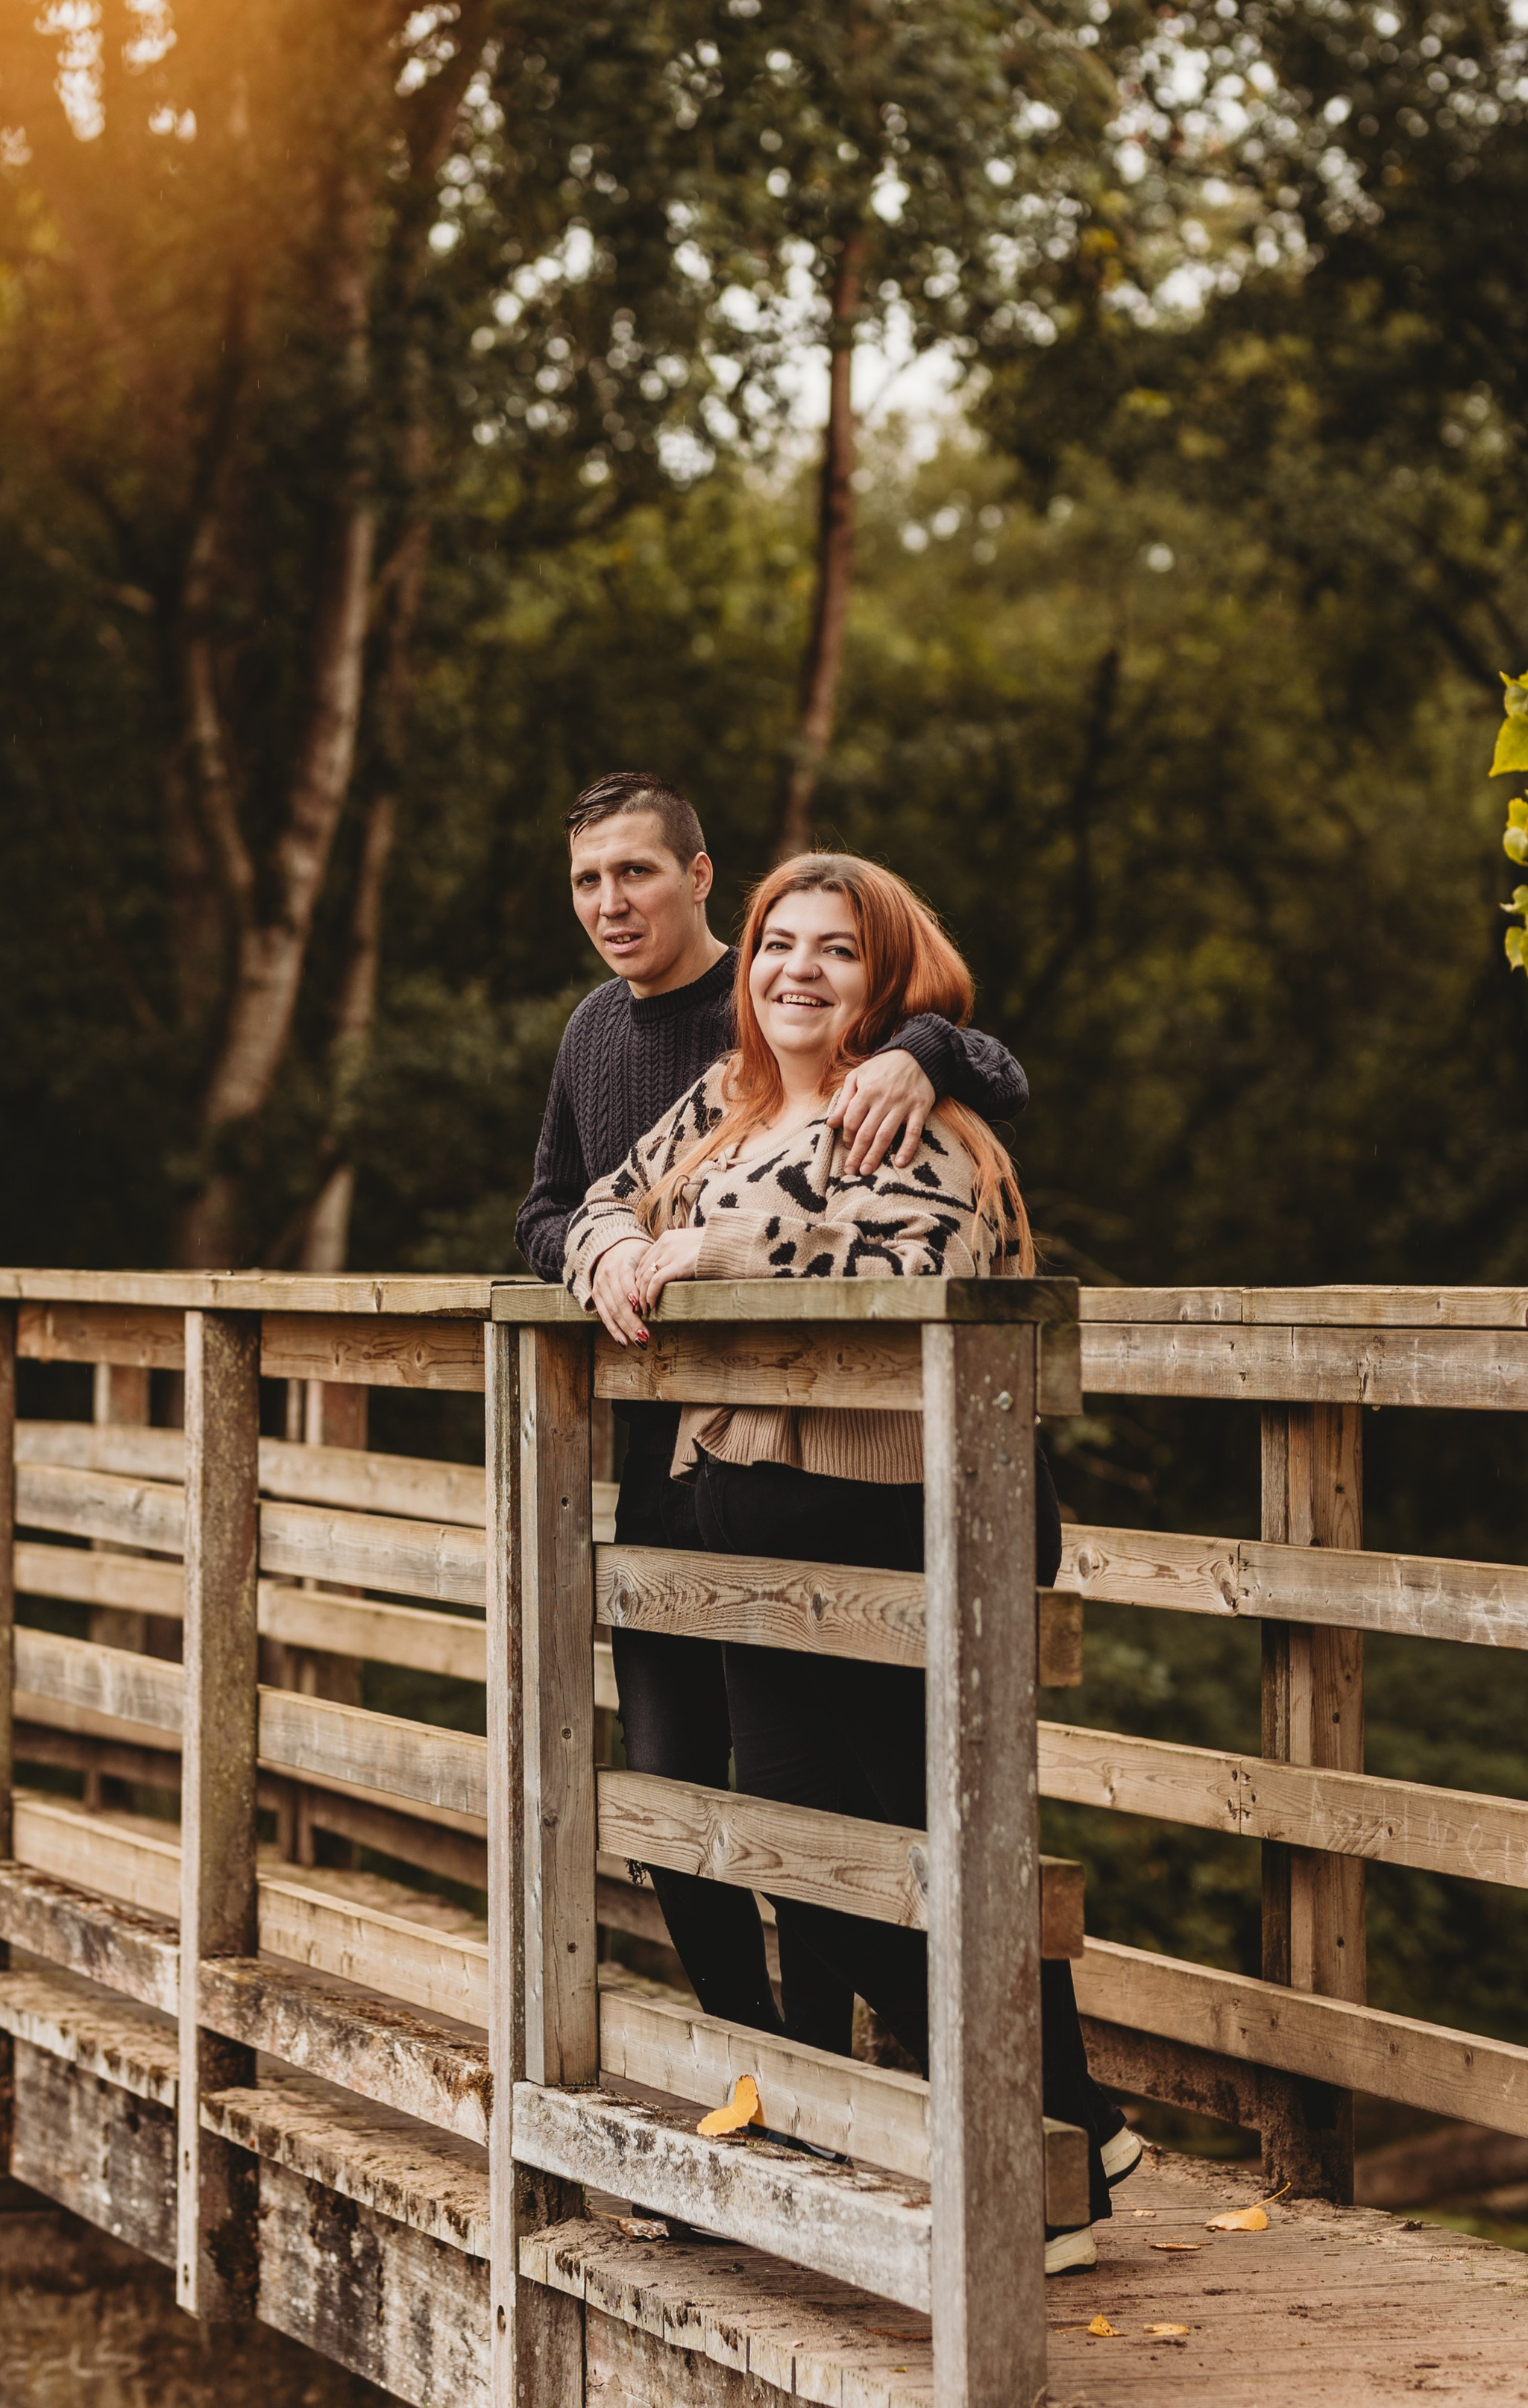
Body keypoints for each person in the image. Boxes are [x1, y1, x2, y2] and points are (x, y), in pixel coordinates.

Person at [562, 849, 1140, 2275]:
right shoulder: (727, 1100)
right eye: (776, 945)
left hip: (902, 1521)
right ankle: (1072, 2119)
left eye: (832, 950)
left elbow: (910, 1267)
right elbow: (598, 1204)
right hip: (749, 1517)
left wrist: (709, 1249)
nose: (795, 971)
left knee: (940, 1849)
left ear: (885, 979)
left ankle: (1052, 2161)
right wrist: (619, 1257)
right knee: (809, 1850)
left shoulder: (921, 1112)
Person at [517, 772, 1030, 2052]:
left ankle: (916, 2072)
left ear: (701, 881)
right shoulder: (608, 1039)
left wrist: (923, 1047)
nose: (610, 900)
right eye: (587, 878)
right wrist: (607, 1259)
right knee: (682, 1783)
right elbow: (557, 1204)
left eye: (636, 871)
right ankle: (771, 2070)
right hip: (674, 1453)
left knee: (833, 1797)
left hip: (832, 1477)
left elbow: (981, 1079)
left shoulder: (821, 1019)